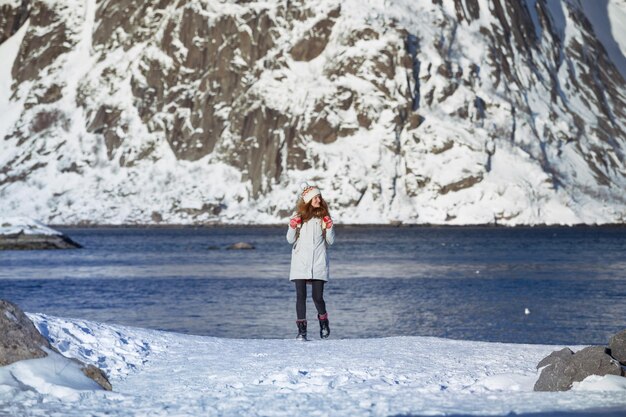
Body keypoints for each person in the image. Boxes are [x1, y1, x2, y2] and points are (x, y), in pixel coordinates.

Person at [286, 183, 335, 341]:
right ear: (307, 200)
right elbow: (289, 239)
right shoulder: (298, 216)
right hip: (300, 261)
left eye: (319, 196)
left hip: (319, 261)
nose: (318, 199)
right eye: (315, 197)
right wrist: (292, 226)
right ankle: (302, 331)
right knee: (300, 296)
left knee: (317, 297)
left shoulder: (324, 216)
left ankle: (324, 322)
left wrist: (329, 227)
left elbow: (331, 241)